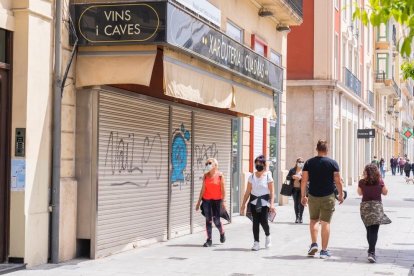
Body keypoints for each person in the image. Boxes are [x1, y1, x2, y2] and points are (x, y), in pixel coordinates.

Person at [301, 140, 344, 259]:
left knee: (314, 220)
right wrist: (341, 194)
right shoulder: (332, 163)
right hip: (328, 196)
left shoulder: (309, 163)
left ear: (317, 149)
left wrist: (303, 196)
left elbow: (304, 180)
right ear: (327, 150)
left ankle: (314, 243)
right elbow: (338, 181)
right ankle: (324, 251)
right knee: (325, 222)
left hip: (313, 196)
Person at [240, 155, 275, 251]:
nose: (258, 165)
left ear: (264, 164)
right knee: (255, 222)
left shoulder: (268, 175)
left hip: (264, 202)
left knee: (264, 221)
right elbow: (247, 192)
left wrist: (272, 204)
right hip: (254, 202)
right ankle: (256, 243)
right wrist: (243, 204)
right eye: (256, 164)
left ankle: (268, 236)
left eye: (260, 164)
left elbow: (272, 192)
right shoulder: (252, 176)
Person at [358, 164, 389, 263]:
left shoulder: (362, 182)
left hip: (365, 208)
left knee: (368, 230)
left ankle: (371, 251)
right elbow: (385, 192)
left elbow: (359, 193)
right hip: (376, 208)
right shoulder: (380, 181)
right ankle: (371, 252)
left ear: (366, 172)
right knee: (374, 231)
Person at [195, 158, 226, 247]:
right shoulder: (205, 176)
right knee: (208, 220)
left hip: (217, 201)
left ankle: (222, 232)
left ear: (215, 166)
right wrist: (198, 202)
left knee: (216, 221)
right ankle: (209, 240)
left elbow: (223, 189)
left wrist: (223, 202)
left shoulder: (220, 175)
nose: (207, 164)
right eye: (206, 163)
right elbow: (203, 189)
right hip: (207, 200)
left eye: (209, 163)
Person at [286, 157, 305, 223]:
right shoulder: (292, 170)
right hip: (294, 189)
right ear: (296, 162)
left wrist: (301, 178)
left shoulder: (304, 170)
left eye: (302, 162)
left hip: (302, 189)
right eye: (299, 162)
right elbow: (287, 177)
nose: (301, 163)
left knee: (301, 203)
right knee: (296, 203)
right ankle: (297, 217)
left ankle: (301, 217)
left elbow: (308, 179)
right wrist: (292, 177)